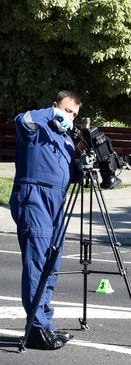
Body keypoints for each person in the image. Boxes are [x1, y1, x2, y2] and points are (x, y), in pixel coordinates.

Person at [10, 90, 81, 350]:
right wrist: (51, 115)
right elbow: (22, 120)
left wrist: (79, 169)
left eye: (74, 114)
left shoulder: (65, 139)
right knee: (37, 263)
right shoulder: (36, 127)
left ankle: (45, 323)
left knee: (52, 262)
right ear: (54, 106)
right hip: (34, 196)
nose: (69, 117)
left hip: (57, 201)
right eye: (66, 110)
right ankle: (36, 328)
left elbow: (63, 172)